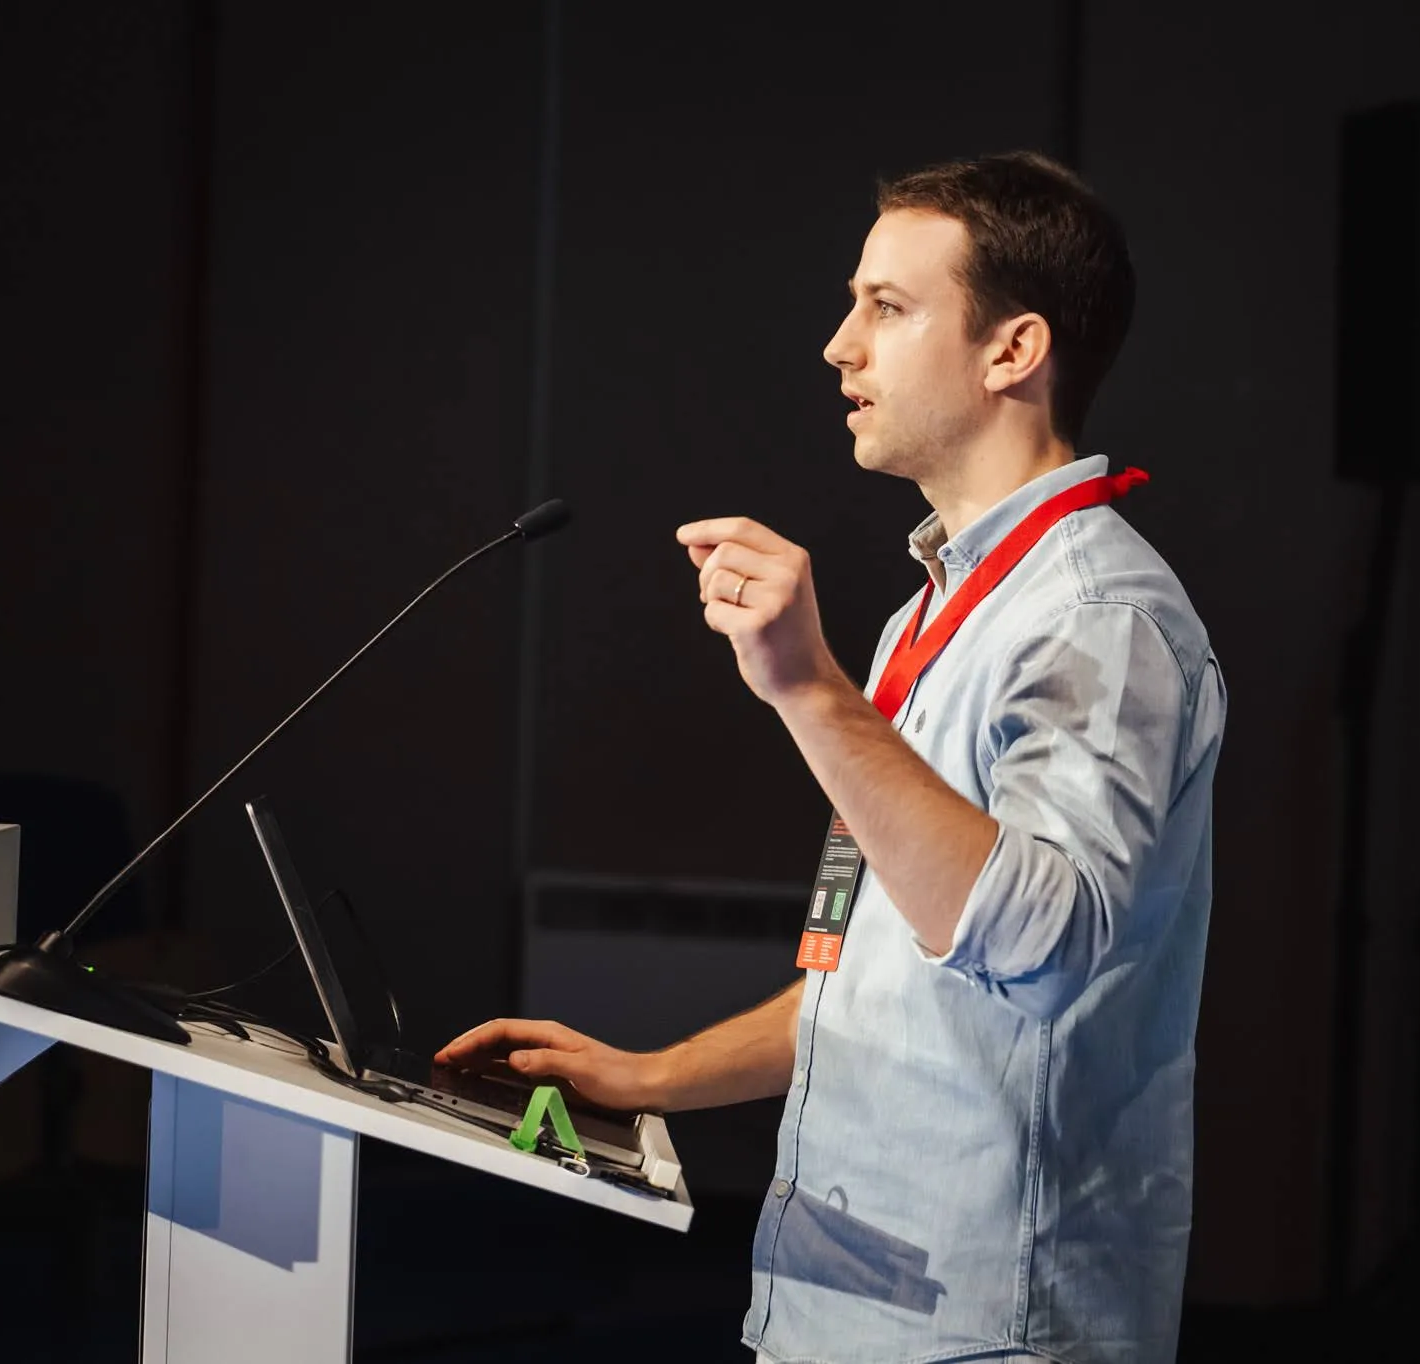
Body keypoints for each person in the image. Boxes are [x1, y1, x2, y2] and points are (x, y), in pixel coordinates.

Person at [439, 152, 1225, 1363]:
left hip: (993, 1329)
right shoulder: (921, 616)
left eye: (886, 307)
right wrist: (646, 1075)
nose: (837, 346)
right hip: (842, 1307)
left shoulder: (1094, 617)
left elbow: (1039, 940)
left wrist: (806, 690)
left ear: (1010, 350)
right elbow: (862, 982)